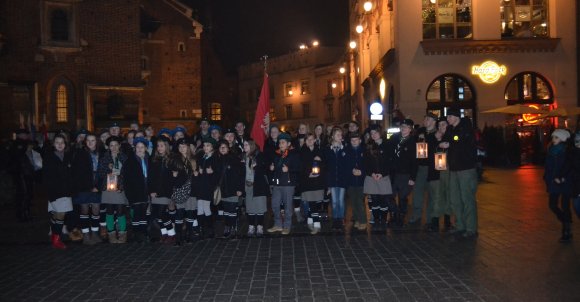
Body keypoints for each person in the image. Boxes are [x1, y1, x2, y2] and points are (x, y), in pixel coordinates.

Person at [442, 109, 478, 239]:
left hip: (466, 168)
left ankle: (471, 228)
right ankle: (460, 225)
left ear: (457, 116)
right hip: (454, 168)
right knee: (455, 199)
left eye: (450, 116)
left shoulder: (465, 127)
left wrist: (450, 142)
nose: (448, 119)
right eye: (447, 117)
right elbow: (446, 140)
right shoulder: (450, 129)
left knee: (467, 199)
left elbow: (460, 140)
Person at [71, 133, 102, 245]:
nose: (90, 142)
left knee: (96, 210)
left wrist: (98, 187)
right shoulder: (80, 154)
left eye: (93, 140)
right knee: (84, 210)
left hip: (97, 186)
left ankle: (94, 233)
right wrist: (89, 187)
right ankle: (85, 234)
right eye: (88, 140)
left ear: (96, 142)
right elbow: (78, 173)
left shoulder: (101, 153)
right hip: (84, 187)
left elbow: (102, 172)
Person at [43, 134, 73, 249]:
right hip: (56, 191)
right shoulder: (49, 157)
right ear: (53, 144)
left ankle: (55, 236)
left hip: (66, 190)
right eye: (57, 142)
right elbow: (46, 177)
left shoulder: (68, 156)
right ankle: (56, 238)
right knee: (60, 214)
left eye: (62, 142)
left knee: (58, 214)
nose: (60, 145)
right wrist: (50, 192)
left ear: (65, 144)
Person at [97, 136, 128, 243]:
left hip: (120, 188)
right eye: (111, 145)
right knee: (109, 211)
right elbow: (99, 173)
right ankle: (111, 234)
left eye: (116, 145)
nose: (114, 147)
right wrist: (107, 168)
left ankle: (123, 234)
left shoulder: (124, 157)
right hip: (108, 189)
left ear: (119, 145)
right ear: (108, 147)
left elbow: (128, 174)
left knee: (120, 211)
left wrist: (122, 186)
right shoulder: (104, 158)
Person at [268, 133, 300, 235]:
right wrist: (271, 168)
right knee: (275, 205)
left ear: (288, 143)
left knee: (287, 207)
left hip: (288, 184)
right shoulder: (276, 154)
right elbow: (273, 167)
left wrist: (289, 169)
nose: (280, 144)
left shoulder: (294, 154)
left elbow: (299, 168)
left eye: (283, 142)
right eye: (279, 142)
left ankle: (287, 226)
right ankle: (278, 224)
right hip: (277, 184)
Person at [544, 129, 573, 242]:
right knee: (552, 205)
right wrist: (547, 177)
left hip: (565, 182)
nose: (553, 139)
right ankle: (566, 222)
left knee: (565, 206)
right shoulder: (551, 150)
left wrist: (563, 177)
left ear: (562, 139)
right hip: (553, 182)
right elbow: (548, 167)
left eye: (556, 137)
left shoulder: (567, 151)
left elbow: (570, 166)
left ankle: (566, 231)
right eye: (553, 137)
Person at [364, 124, 393, 230]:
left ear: (380, 132)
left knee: (383, 199)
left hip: (383, 176)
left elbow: (389, 162)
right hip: (372, 177)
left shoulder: (387, 145)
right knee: (375, 200)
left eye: (375, 132)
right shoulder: (368, 146)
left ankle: (383, 219)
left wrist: (382, 173)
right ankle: (376, 219)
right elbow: (366, 163)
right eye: (371, 133)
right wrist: (371, 173)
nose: (373, 135)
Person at [409, 113, 437, 226]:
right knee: (417, 193)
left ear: (434, 121)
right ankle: (416, 215)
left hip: (432, 167)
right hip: (420, 167)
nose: (425, 120)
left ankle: (430, 218)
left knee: (431, 194)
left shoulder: (437, 133)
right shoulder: (420, 132)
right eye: (425, 118)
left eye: (428, 119)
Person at [389, 119, 418, 227]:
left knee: (402, 197)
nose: (403, 129)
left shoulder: (412, 142)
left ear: (410, 129)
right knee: (389, 195)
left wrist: (412, 177)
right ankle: (394, 214)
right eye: (402, 126)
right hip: (394, 173)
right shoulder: (394, 138)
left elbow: (415, 162)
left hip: (405, 174)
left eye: (406, 127)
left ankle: (401, 218)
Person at [122, 137, 150, 243]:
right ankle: (137, 233)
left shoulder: (149, 159)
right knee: (137, 212)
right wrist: (129, 194)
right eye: (137, 147)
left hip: (146, 190)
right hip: (135, 191)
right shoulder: (130, 161)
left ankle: (143, 231)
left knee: (144, 212)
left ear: (145, 148)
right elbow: (127, 179)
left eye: (142, 147)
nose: (139, 149)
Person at [427, 117, 453, 232]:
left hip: (449, 172)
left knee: (448, 196)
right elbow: (425, 153)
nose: (442, 127)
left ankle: (447, 221)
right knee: (437, 197)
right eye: (440, 125)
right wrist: (437, 144)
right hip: (436, 173)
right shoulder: (432, 138)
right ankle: (435, 222)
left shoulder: (451, 138)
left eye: (444, 124)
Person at [169, 138, 196, 246]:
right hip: (180, 189)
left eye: (184, 146)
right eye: (180, 146)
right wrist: (174, 177)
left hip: (192, 189)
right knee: (179, 213)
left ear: (188, 147)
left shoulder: (193, 159)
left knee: (190, 212)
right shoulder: (175, 160)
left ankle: (189, 234)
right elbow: (171, 176)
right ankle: (179, 236)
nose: (182, 148)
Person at [148, 136, 175, 244]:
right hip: (155, 192)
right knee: (157, 214)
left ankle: (172, 233)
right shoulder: (154, 159)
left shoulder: (171, 159)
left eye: (162, 146)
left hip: (165, 191)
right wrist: (151, 190)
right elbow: (151, 177)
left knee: (162, 213)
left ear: (166, 146)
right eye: (158, 146)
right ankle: (164, 232)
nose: (159, 148)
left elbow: (170, 178)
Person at [216, 140, 244, 239]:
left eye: (224, 147)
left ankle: (233, 228)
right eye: (220, 147)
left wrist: (240, 188)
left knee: (232, 210)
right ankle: (227, 227)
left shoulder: (234, 159)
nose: (222, 149)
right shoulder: (217, 160)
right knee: (226, 211)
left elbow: (241, 175)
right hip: (223, 190)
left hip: (233, 189)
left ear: (228, 148)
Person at [243, 139, 269, 237]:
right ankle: (251, 227)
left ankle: (259, 227)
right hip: (248, 186)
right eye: (244, 145)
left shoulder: (259, 155)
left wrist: (257, 166)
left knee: (260, 208)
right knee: (250, 208)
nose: (244, 147)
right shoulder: (243, 157)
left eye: (246, 145)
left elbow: (264, 168)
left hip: (259, 186)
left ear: (251, 146)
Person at [299, 133, 325, 234]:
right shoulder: (302, 152)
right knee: (311, 203)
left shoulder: (319, 151)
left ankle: (311, 221)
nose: (310, 141)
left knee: (315, 203)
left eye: (311, 139)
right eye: (307, 139)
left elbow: (325, 165)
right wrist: (307, 173)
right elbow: (301, 166)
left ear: (315, 140)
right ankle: (316, 224)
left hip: (318, 181)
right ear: (305, 141)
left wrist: (320, 161)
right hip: (307, 182)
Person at [324, 127, 348, 230]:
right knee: (334, 201)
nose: (339, 136)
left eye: (340, 135)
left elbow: (347, 166)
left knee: (341, 200)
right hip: (332, 180)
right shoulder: (328, 150)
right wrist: (328, 183)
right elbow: (327, 167)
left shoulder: (345, 149)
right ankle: (335, 219)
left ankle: (341, 219)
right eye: (337, 135)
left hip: (342, 179)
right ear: (333, 136)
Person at [196, 137, 219, 239]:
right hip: (201, 186)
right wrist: (198, 173)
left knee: (206, 208)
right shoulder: (202, 158)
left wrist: (212, 173)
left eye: (208, 145)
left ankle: (210, 229)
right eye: (204, 145)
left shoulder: (214, 158)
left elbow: (217, 174)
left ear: (212, 147)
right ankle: (201, 229)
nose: (205, 147)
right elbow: (200, 170)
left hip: (208, 187)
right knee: (200, 208)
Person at [345, 132, 367, 231]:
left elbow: (367, 165)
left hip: (361, 181)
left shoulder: (364, 151)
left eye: (356, 140)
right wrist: (351, 170)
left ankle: (363, 221)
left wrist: (362, 172)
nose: (354, 142)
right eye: (352, 140)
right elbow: (344, 165)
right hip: (350, 180)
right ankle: (357, 220)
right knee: (353, 202)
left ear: (360, 140)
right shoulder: (347, 151)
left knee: (359, 202)